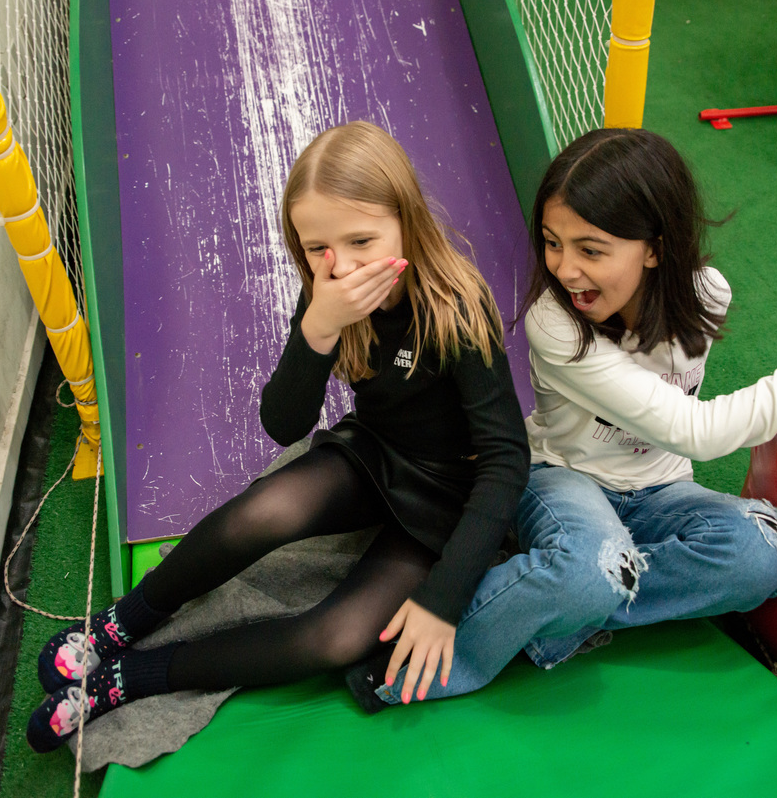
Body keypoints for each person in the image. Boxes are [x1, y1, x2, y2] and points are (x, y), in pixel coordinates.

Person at [347, 127, 777, 711]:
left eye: (591, 250)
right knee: (592, 563)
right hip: (563, 478)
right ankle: (417, 661)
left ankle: (569, 599)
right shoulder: (554, 324)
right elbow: (698, 430)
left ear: (655, 250)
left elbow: (679, 434)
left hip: (661, 488)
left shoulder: (706, 293)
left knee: (762, 551)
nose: (564, 268)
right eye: (552, 242)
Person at [27, 121, 529, 752]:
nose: (340, 263)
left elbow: (508, 459)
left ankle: (136, 676)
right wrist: (318, 327)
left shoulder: (457, 306)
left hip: (442, 502)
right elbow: (284, 424)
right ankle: (122, 623)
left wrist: (442, 598)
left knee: (336, 639)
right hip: (373, 454)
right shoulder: (330, 291)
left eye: (362, 240)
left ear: (408, 221)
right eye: (318, 247)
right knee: (262, 511)